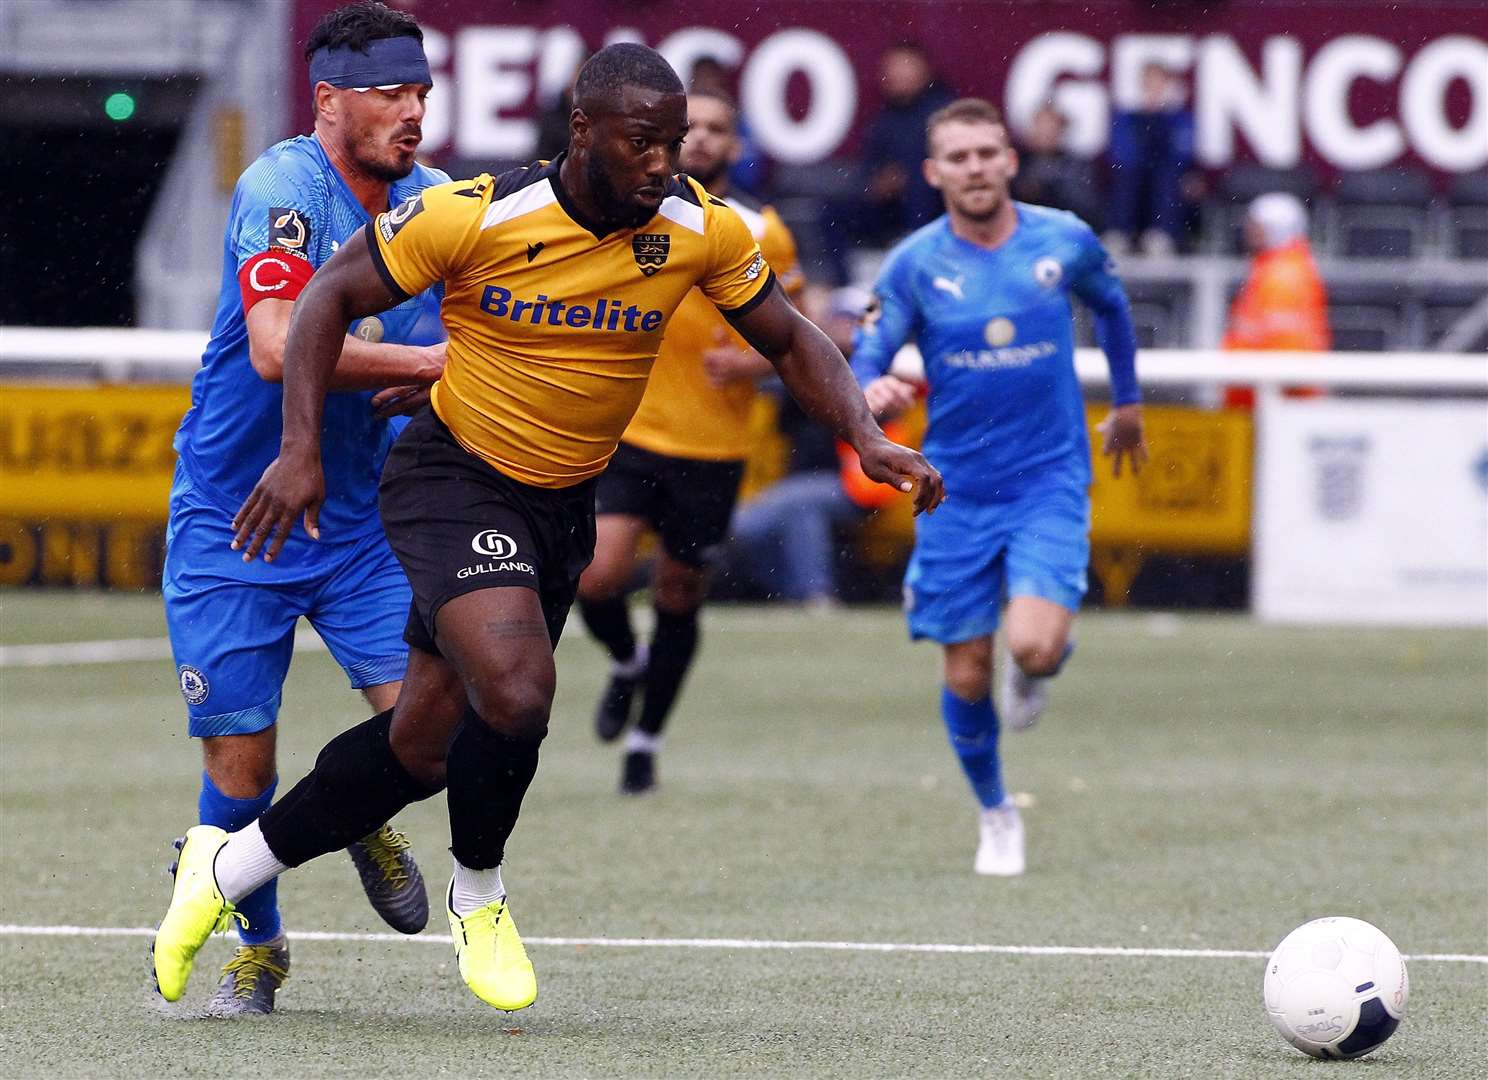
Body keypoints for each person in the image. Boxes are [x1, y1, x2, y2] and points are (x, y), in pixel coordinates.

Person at [151, 43, 942, 1016]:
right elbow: (323, 302)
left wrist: (865, 432)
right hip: (452, 477)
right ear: (584, 132)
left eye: (674, 142)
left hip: (562, 500)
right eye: (642, 143)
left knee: (421, 747)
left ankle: (224, 871)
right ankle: (477, 897)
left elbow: (787, 335)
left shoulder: (699, 227)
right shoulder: (476, 211)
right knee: (518, 693)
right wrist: (303, 449)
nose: (661, 162)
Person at [160, 0, 446, 1016]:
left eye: (421, 90)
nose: (414, 110)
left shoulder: (440, 204)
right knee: (240, 779)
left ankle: (355, 810)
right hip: (238, 521)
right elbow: (282, 348)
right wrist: (423, 361)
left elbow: (470, 352)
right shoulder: (282, 187)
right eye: (390, 92)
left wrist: (445, 382)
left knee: (432, 735)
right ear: (329, 101)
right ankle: (264, 952)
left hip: (359, 522)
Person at [852, 98, 1147, 877]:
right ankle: (996, 812)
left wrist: (1129, 404)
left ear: (1010, 159)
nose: (975, 167)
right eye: (959, 156)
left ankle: (1038, 663)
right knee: (966, 672)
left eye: (988, 152)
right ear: (934, 171)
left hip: (1049, 479)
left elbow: (1114, 309)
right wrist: (871, 391)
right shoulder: (915, 262)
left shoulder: (1064, 239)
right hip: (954, 490)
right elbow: (867, 349)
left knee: (1036, 648)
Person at [575, 87, 804, 795]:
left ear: (735, 146)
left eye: (715, 129)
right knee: (596, 575)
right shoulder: (626, 211)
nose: (700, 140)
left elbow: (799, 336)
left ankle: (647, 740)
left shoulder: (762, 231)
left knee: (679, 591)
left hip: (713, 447)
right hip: (632, 429)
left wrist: (752, 361)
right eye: (688, 128)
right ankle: (623, 660)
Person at [724, 287, 888, 607]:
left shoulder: (873, 371)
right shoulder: (805, 369)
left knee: (792, 507)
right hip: (800, 482)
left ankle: (814, 593)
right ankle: (788, 592)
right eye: (840, 318)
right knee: (763, 521)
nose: (846, 327)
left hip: (860, 482)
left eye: (854, 321)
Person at [823, 41, 954, 284]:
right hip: (891, 209)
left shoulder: (944, 112)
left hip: (938, 206)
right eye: (892, 69)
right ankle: (845, 289)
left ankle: (920, 253)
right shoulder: (883, 121)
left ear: (924, 70)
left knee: (921, 176)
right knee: (832, 212)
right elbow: (867, 174)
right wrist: (878, 185)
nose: (898, 75)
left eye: (905, 66)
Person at [1221, 192, 1330, 408]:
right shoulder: (1273, 269)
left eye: (1257, 225)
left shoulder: (1284, 275)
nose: (1249, 232)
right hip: (1258, 394)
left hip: (1273, 400)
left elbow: (1287, 345)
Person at [1106, 62, 1197, 255]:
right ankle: (1120, 233)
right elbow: (1122, 153)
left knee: (1167, 178)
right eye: (1149, 82)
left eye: (1159, 82)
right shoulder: (1128, 116)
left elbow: (1182, 153)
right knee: (1128, 177)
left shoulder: (1178, 117)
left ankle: (1161, 234)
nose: (1154, 87)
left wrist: (1161, 118)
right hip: (1136, 172)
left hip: (1166, 173)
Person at [1011, 104, 1102, 231]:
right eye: (1040, 128)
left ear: (1061, 130)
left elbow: (1087, 208)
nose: (1045, 135)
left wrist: (1050, 189)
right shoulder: (1017, 162)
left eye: (1051, 129)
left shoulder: (1076, 165)